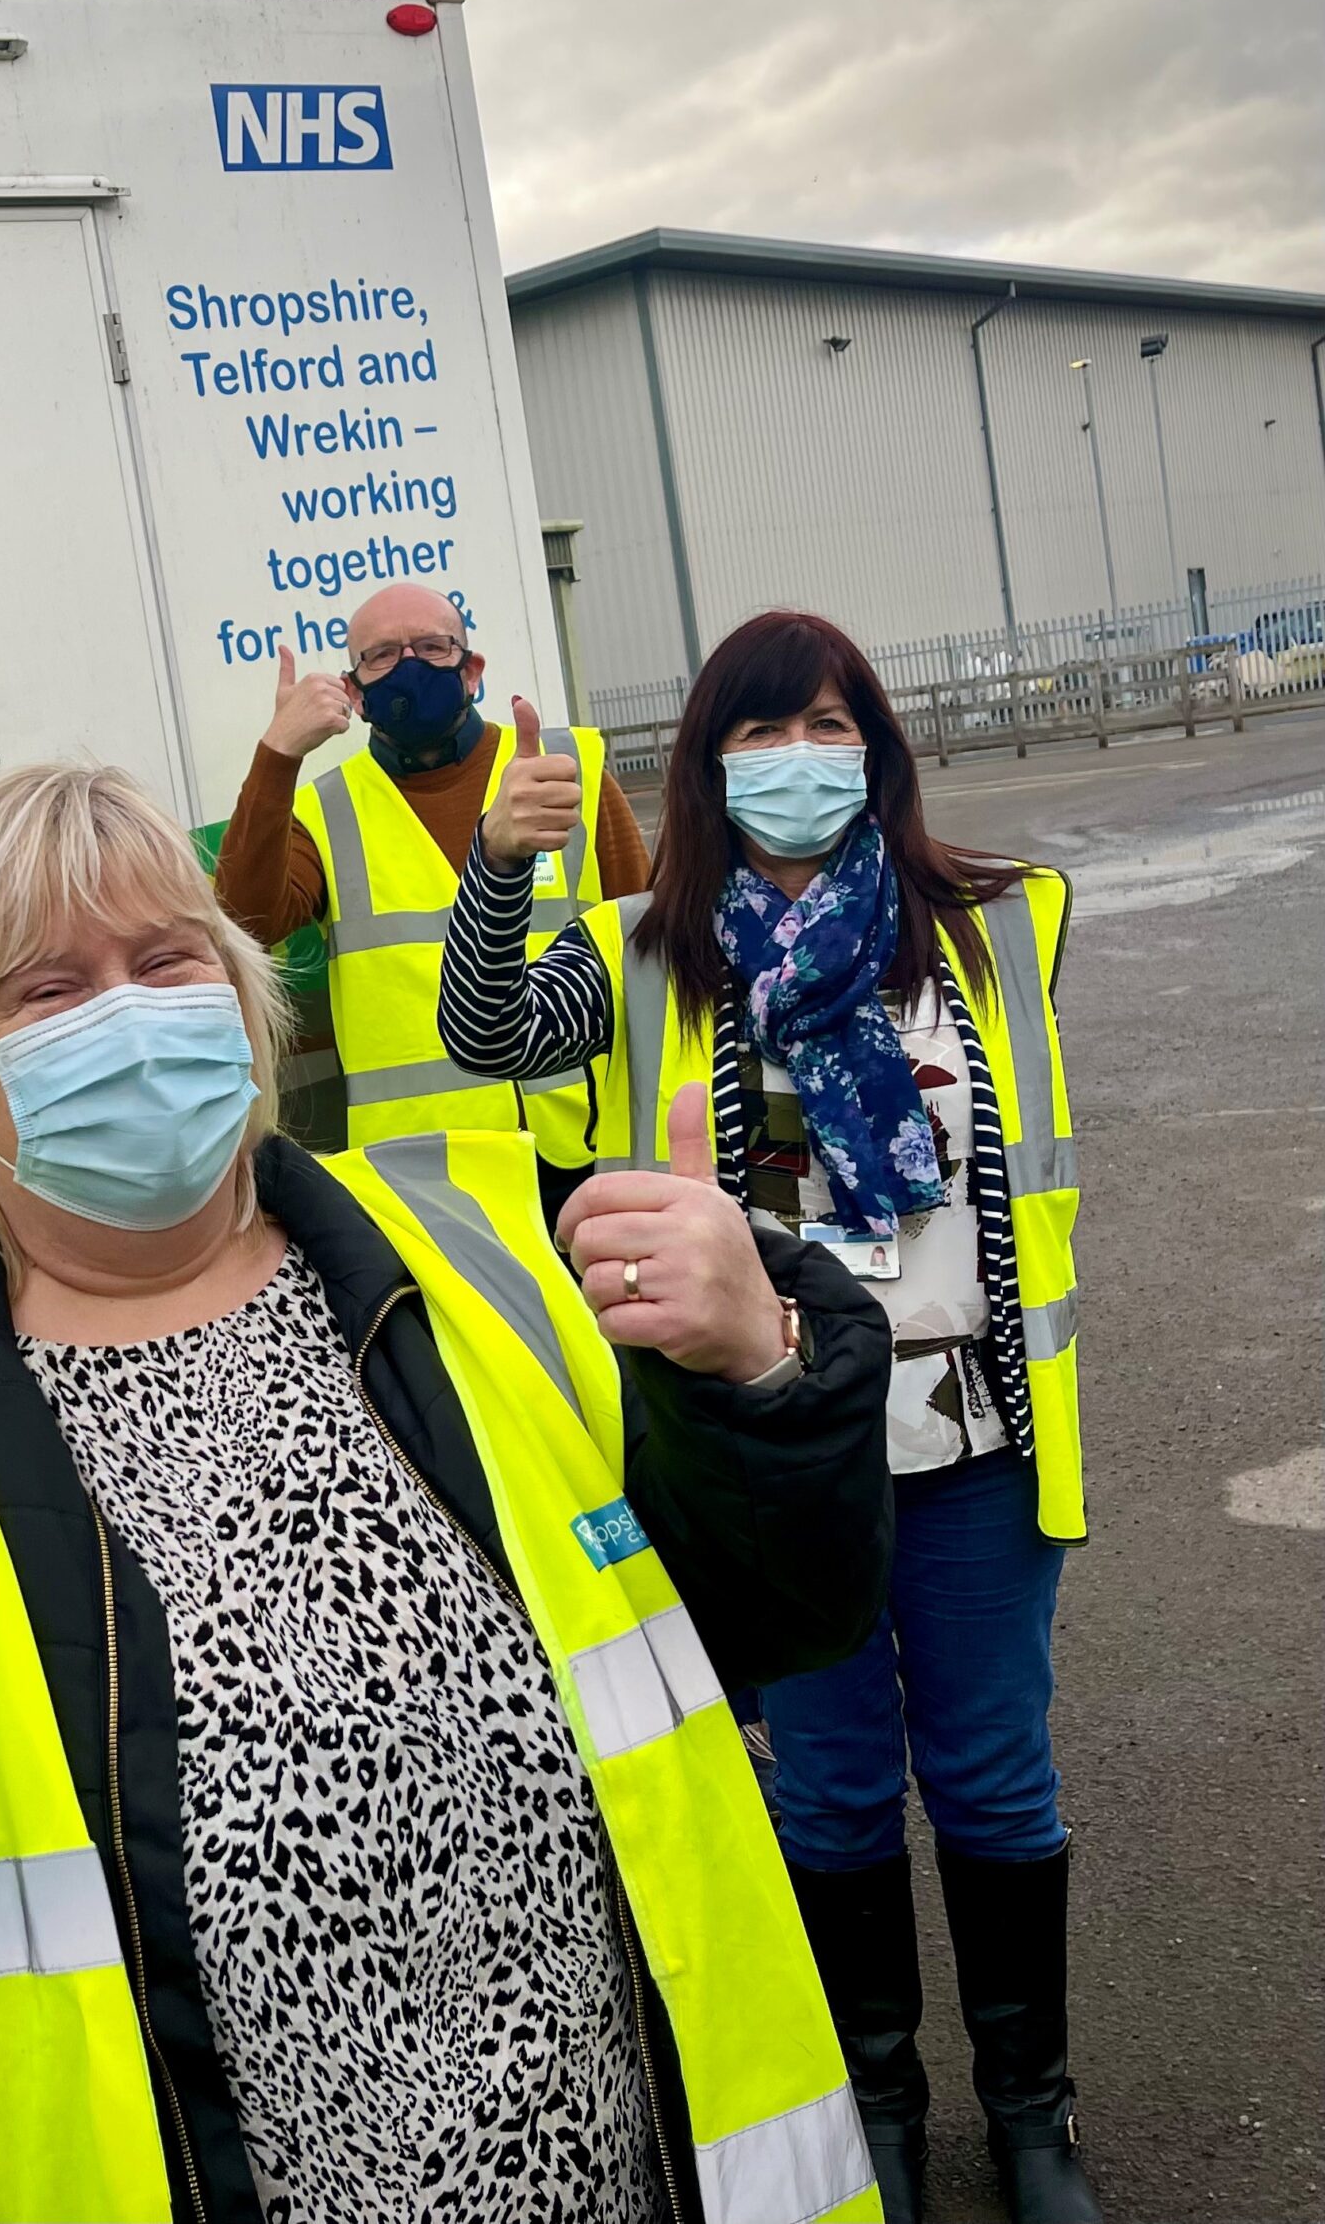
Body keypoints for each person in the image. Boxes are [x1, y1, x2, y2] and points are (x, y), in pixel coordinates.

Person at [0, 759, 900, 2224]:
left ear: (243, 1000)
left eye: (166, 959)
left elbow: (786, 1614)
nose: (129, 1015)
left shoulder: (482, 1246)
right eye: (48, 988)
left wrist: (758, 1369)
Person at [435, 610, 1095, 2224]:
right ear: (708, 764)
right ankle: (876, 2105)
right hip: (778, 1456)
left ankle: (1035, 2117)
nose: (798, 756)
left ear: (876, 747)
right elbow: (486, 1035)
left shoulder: (998, 924)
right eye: (759, 729)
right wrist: (502, 865)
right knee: (832, 1788)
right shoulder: (649, 951)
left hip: (974, 1440)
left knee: (997, 1777)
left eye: (827, 724)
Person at [212, 581, 650, 1204]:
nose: (409, 666)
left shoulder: (563, 770)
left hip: (591, 1148)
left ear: (472, 672)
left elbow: (648, 943)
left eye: (432, 647)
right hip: (420, 1175)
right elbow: (242, 925)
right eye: (382, 655)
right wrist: (278, 754)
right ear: (354, 693)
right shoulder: (323, 812)